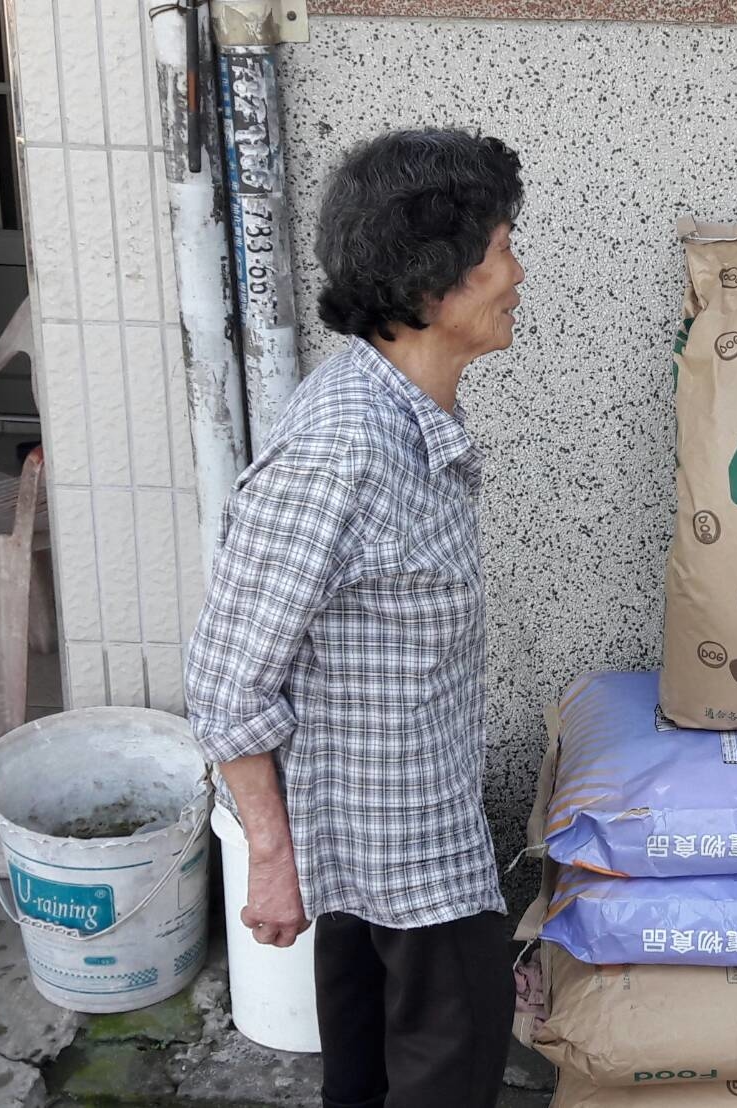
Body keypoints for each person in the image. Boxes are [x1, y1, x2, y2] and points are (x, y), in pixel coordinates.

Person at [184, 128, 525, 1108]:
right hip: (399, 885)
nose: (517, 274)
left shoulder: (405, 414)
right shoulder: (344, 448)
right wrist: (271, 860)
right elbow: (226, 679)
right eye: (500, 250)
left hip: (405, 859)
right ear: (433, 285)